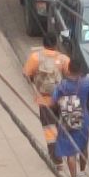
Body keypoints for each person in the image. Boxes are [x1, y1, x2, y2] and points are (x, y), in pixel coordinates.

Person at [23, 31, 69, 162]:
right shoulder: (63, 59)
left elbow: (26, 73)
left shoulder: (35, 58)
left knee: (49, 128)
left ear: (43, 44)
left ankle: (55, 156)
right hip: (61, 99)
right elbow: (72, 75)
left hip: (44, 99)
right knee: (62, 125)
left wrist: (35, 81)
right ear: (55, 43)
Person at [51, 62, 89, 177]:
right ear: (80, 71)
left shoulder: (61, 86)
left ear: (68, 70)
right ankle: (82, 173)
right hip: (84, 118)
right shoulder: (87, 83)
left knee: (70, 152)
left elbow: (53, 102)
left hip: (67, 119)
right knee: (83, 147)